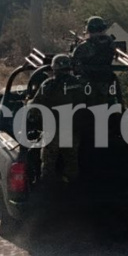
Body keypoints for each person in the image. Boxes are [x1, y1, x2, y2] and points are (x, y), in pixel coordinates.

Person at [31, 54, 85, 183]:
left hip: (52, 130)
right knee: (71, 162)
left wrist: (32, 116)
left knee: (48, 163)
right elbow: (84, 103)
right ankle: (72, 188)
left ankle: (47, 189)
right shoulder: (78, 84)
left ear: (54, 68)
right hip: (72, 130)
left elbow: (35, 105)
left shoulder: (49, 84)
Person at [72, 16, 117, 103]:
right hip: (106, 81)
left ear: (88, 29)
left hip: (87, 84)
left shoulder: (83, 47)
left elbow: (73, 63)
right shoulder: (110, 42)